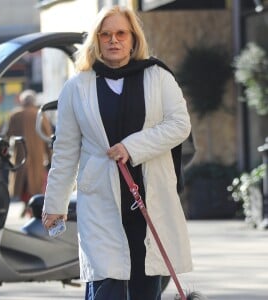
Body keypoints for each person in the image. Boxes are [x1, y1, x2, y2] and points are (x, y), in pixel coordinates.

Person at [42, 5, 192, 300]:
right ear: (95, 40)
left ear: (133, 39)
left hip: (149, 200)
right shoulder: (77, 87)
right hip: (100, 200)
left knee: (145, 283)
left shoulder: (158, 77)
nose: (114, 40)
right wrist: (54, 203)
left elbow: (179, 125)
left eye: (121, 33)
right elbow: (66, 150)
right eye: (105, 34)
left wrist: (131, 147)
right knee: (106, 283)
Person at [5, 89, 52, 217]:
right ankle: (31, 207)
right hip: (37, 156)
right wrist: (51, 156)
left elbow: (8, 136)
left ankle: (27, 206)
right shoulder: (40, 115)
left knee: (23, 184)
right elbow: (48, 137)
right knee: (35, 183)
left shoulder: (15, 115)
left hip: (21, 156)